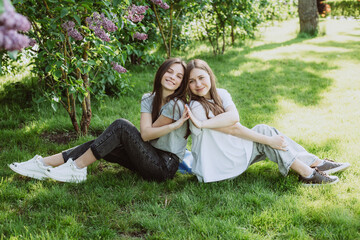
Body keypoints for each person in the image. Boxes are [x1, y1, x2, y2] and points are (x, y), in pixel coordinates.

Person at [9, 58, 190, 183]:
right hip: (149, 155)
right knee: (103, 144)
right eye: (169, 72)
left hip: (164, 166)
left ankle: (77, 168)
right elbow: (146, 135)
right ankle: (43, 164)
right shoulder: (148, 98)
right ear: (161, 73)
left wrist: (175, 124)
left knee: (121, 126)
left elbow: (146, 134)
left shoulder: (177, 105)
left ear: (182, 83)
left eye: (178, 76)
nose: (172, 77)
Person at [184, 59, 350, 185]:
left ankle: (313, 164)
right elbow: (233, 127)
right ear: (188, 85)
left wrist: (270, 141)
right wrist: (270, 141)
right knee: (265, 134)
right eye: (191, 81)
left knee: (264, 132)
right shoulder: (196, 107)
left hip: (229, 154)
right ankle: (309, 172)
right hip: (217, 167)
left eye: (201, 77)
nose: (198, 84)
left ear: (210, 76)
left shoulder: (221, 94)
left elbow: (234, 117)